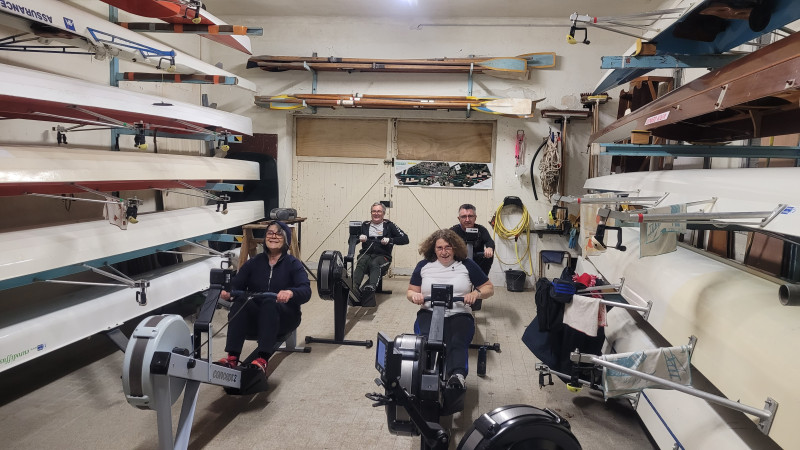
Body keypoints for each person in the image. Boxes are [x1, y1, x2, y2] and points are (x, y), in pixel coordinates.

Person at [216, 221, 311, 375]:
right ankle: (232, 358)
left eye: (279, 234)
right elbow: (236, 284)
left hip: (284, 318)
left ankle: (262, 359)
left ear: (286, 240)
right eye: (270, 233)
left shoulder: (293, 264)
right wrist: (229, 292)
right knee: (241, 301)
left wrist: (290, 292)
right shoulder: (254, 262)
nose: (273, 236)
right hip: (257, 319)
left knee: (269, 302)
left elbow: (306, 290)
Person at [407, 229, 494, 389]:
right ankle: (421, 374)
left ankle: (457, 377)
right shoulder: (424, 266)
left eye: (448, 247)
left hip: (459, 313)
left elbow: (489, 288)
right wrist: (415, 296)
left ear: (455, 248)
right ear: (433, 249)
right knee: (424, 341)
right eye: (439, 248)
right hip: (429, 312)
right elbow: (411, 291)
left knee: (456, 341)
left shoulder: (467, 265)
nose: (444, 252)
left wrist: (475, 293)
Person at [353, 202, 409, 306]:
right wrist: (358, 238)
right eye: (374, 211)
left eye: (379, 211)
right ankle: (354, 288)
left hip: (383, 257)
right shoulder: (364, 225)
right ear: (371, 213)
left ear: (383, 213)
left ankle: (371, 288)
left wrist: (390, 240)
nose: (376, 213)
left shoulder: (389, 225)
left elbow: (405, 239)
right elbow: (351, 240)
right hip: (366, 255)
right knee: (362, 261)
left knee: (375, 263)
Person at [450, 203, 495, 275]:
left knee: (489, 254)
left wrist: (489, 248)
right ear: (459, 218)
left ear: (475, 218)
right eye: (464, 216)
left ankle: (482, 278)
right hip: (458, 262)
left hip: (477, 262)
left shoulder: (481, 230)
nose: (467, 220)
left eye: (470, 216)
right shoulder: (453, 231)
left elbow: (489, 241)